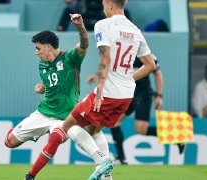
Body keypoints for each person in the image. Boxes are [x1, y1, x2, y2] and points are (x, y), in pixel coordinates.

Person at [61, 0, 156, 179]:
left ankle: (103, 162)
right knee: (93, 131)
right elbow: (150, 65)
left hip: (108, 93)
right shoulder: (135, 30)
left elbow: (106, 56)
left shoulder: (103, 25)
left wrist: (100, 88)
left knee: (69, 126)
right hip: (126, 95)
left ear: (109, 4)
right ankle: (106, 176)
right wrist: (127, 78)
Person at [4, 14, 89, 180]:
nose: (36, 52)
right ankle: (15, 131)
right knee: (9, 143)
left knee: (56, 136)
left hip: (65, 117)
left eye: (38, 48)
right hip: (42, 113)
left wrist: (80, 26)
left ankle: (30, 176)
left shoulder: (70, 58)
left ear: (49, 47)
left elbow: (84, 45)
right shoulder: (42, 64)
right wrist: (42, 88)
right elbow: (50, 81)